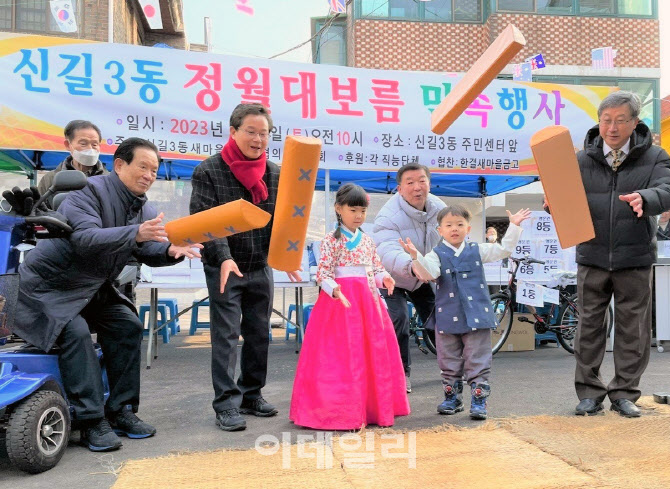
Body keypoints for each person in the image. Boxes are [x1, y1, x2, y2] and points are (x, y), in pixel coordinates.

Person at [13, 138, 201, 452]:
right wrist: (136, 233)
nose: (149, 175)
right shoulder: (87, 192)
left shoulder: (145, 207)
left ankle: (122, 410)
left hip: (92, 286)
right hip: (52, 287)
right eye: (143, 166)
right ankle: (91, 421)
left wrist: (170, 250)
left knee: (128, 325)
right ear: (119, 165)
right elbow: (85, 238)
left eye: (154, 170)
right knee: (74, 334)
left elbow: (146, 249)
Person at [547, 91, 670, 418]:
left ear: (634, 123)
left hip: (635, 257)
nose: (612, 128)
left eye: (620, 120)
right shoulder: (580, 160)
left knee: (634, 329)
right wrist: (555, 205)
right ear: (599, 122)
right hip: (592, 255)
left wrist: (647, 197)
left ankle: (624, 393)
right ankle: (589, 393)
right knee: (588, 327)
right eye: (606, 120)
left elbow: (667, 188)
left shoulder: (656, 157)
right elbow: (563, 198)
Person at [190, 103, 301, 432]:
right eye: (251, 132)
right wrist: (224, 257)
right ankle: (225, 403)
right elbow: (205, 222)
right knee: (225, 336)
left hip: (260, 265)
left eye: (263, 134)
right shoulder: (209, 171)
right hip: (224, 266)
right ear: (233, 132)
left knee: (258, 334)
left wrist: (287, 256)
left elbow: (284, 221)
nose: (257, 139)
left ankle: (252, 393)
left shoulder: (277, 173)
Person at [290, 183, 409, 429]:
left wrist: (383, 277)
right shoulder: (330, 241)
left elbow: (375, 267)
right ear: (338, 209)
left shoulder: (367, 240)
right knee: (342, 356)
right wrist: (334, 289)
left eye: (363, 211)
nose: (358, 216)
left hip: (368, 302)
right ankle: (341, 410)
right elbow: (322, 274)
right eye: (353, 210)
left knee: (369, 353)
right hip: (339, 305)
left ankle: (369, 407)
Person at [400, 205, 529, 420]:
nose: (454, 229)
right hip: (447, 315)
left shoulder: (477, 249)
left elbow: (503, 250)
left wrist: (514, 226)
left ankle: (479, 399)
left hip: (477, 314)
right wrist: (415, 257)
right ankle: (453, 398)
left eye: (460, 224)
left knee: (478, 358)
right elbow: (428, 274)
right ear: (439, 231)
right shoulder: (436, 254)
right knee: (447, 359)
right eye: (449, 225)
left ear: (468, 229)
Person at [373, 163, 446, 393]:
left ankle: (452, 369)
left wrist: (440, 266)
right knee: (399, 322)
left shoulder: (440, 209)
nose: (417, 187)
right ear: (400, 188)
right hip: (393, 277)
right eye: (410, 183)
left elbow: (450, 240)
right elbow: (385, 249)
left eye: (422, 180)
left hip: (422, 276)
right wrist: (411, 265)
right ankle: (401, 373)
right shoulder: (388, 214)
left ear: (429, 183)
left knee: (440, 321)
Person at [38, 120, 108, 205]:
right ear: (68, 145)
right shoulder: (50, 179)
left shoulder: (109, 180)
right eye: (83, 144)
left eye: (94, 145)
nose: (90, 149)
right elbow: (39, 211)